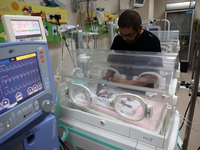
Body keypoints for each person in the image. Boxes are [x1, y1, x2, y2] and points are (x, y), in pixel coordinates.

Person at [105, 9, 162, 87]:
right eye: (122, 34)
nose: (124, 38)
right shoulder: (118, 39)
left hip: (142, 88)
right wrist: (107, 77)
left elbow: (154, 74)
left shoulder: (152, 41)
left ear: (140, 28)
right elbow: (113, 63)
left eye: (129, 35)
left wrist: (128, 83)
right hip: (120, 85)